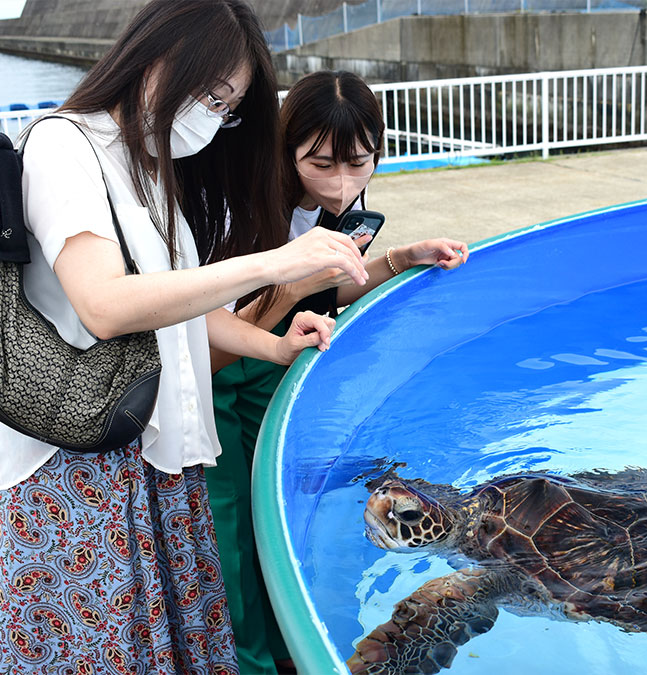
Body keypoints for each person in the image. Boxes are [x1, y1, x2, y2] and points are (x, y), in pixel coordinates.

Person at [0, 3, 368, 674]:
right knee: (99, 648)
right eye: (209, 94)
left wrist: (274, 346)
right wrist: (277, 261)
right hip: (80, 469)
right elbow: (104, 304)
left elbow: (174, 306)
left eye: (226, 107)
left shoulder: (148, 164)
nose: (211, 118)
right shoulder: (63, 143)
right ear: (155, 55)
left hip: (155, 456)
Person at [204, 70, 470, 674]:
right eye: (321, 163)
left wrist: (398, 260)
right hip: (220, 402)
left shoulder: (341, 210)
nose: (342, 182)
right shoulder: (239, 212)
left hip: (283, 392)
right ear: (286, 150)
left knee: (294, 542)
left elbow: (328, 294)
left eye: (359, 162)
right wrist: (295, 286)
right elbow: (208, 348)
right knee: (237, 553)